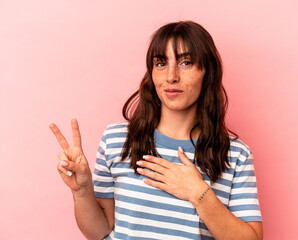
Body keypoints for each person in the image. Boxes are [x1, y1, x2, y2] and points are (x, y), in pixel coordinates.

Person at [50, 21, 263, 240]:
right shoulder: (117, 140)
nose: (171, 76)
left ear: (207, 72)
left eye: (186, 62)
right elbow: (100, 231)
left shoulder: (236, 155)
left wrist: (199, 193)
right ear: (151, 73)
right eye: (161, 63)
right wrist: (81, 191)